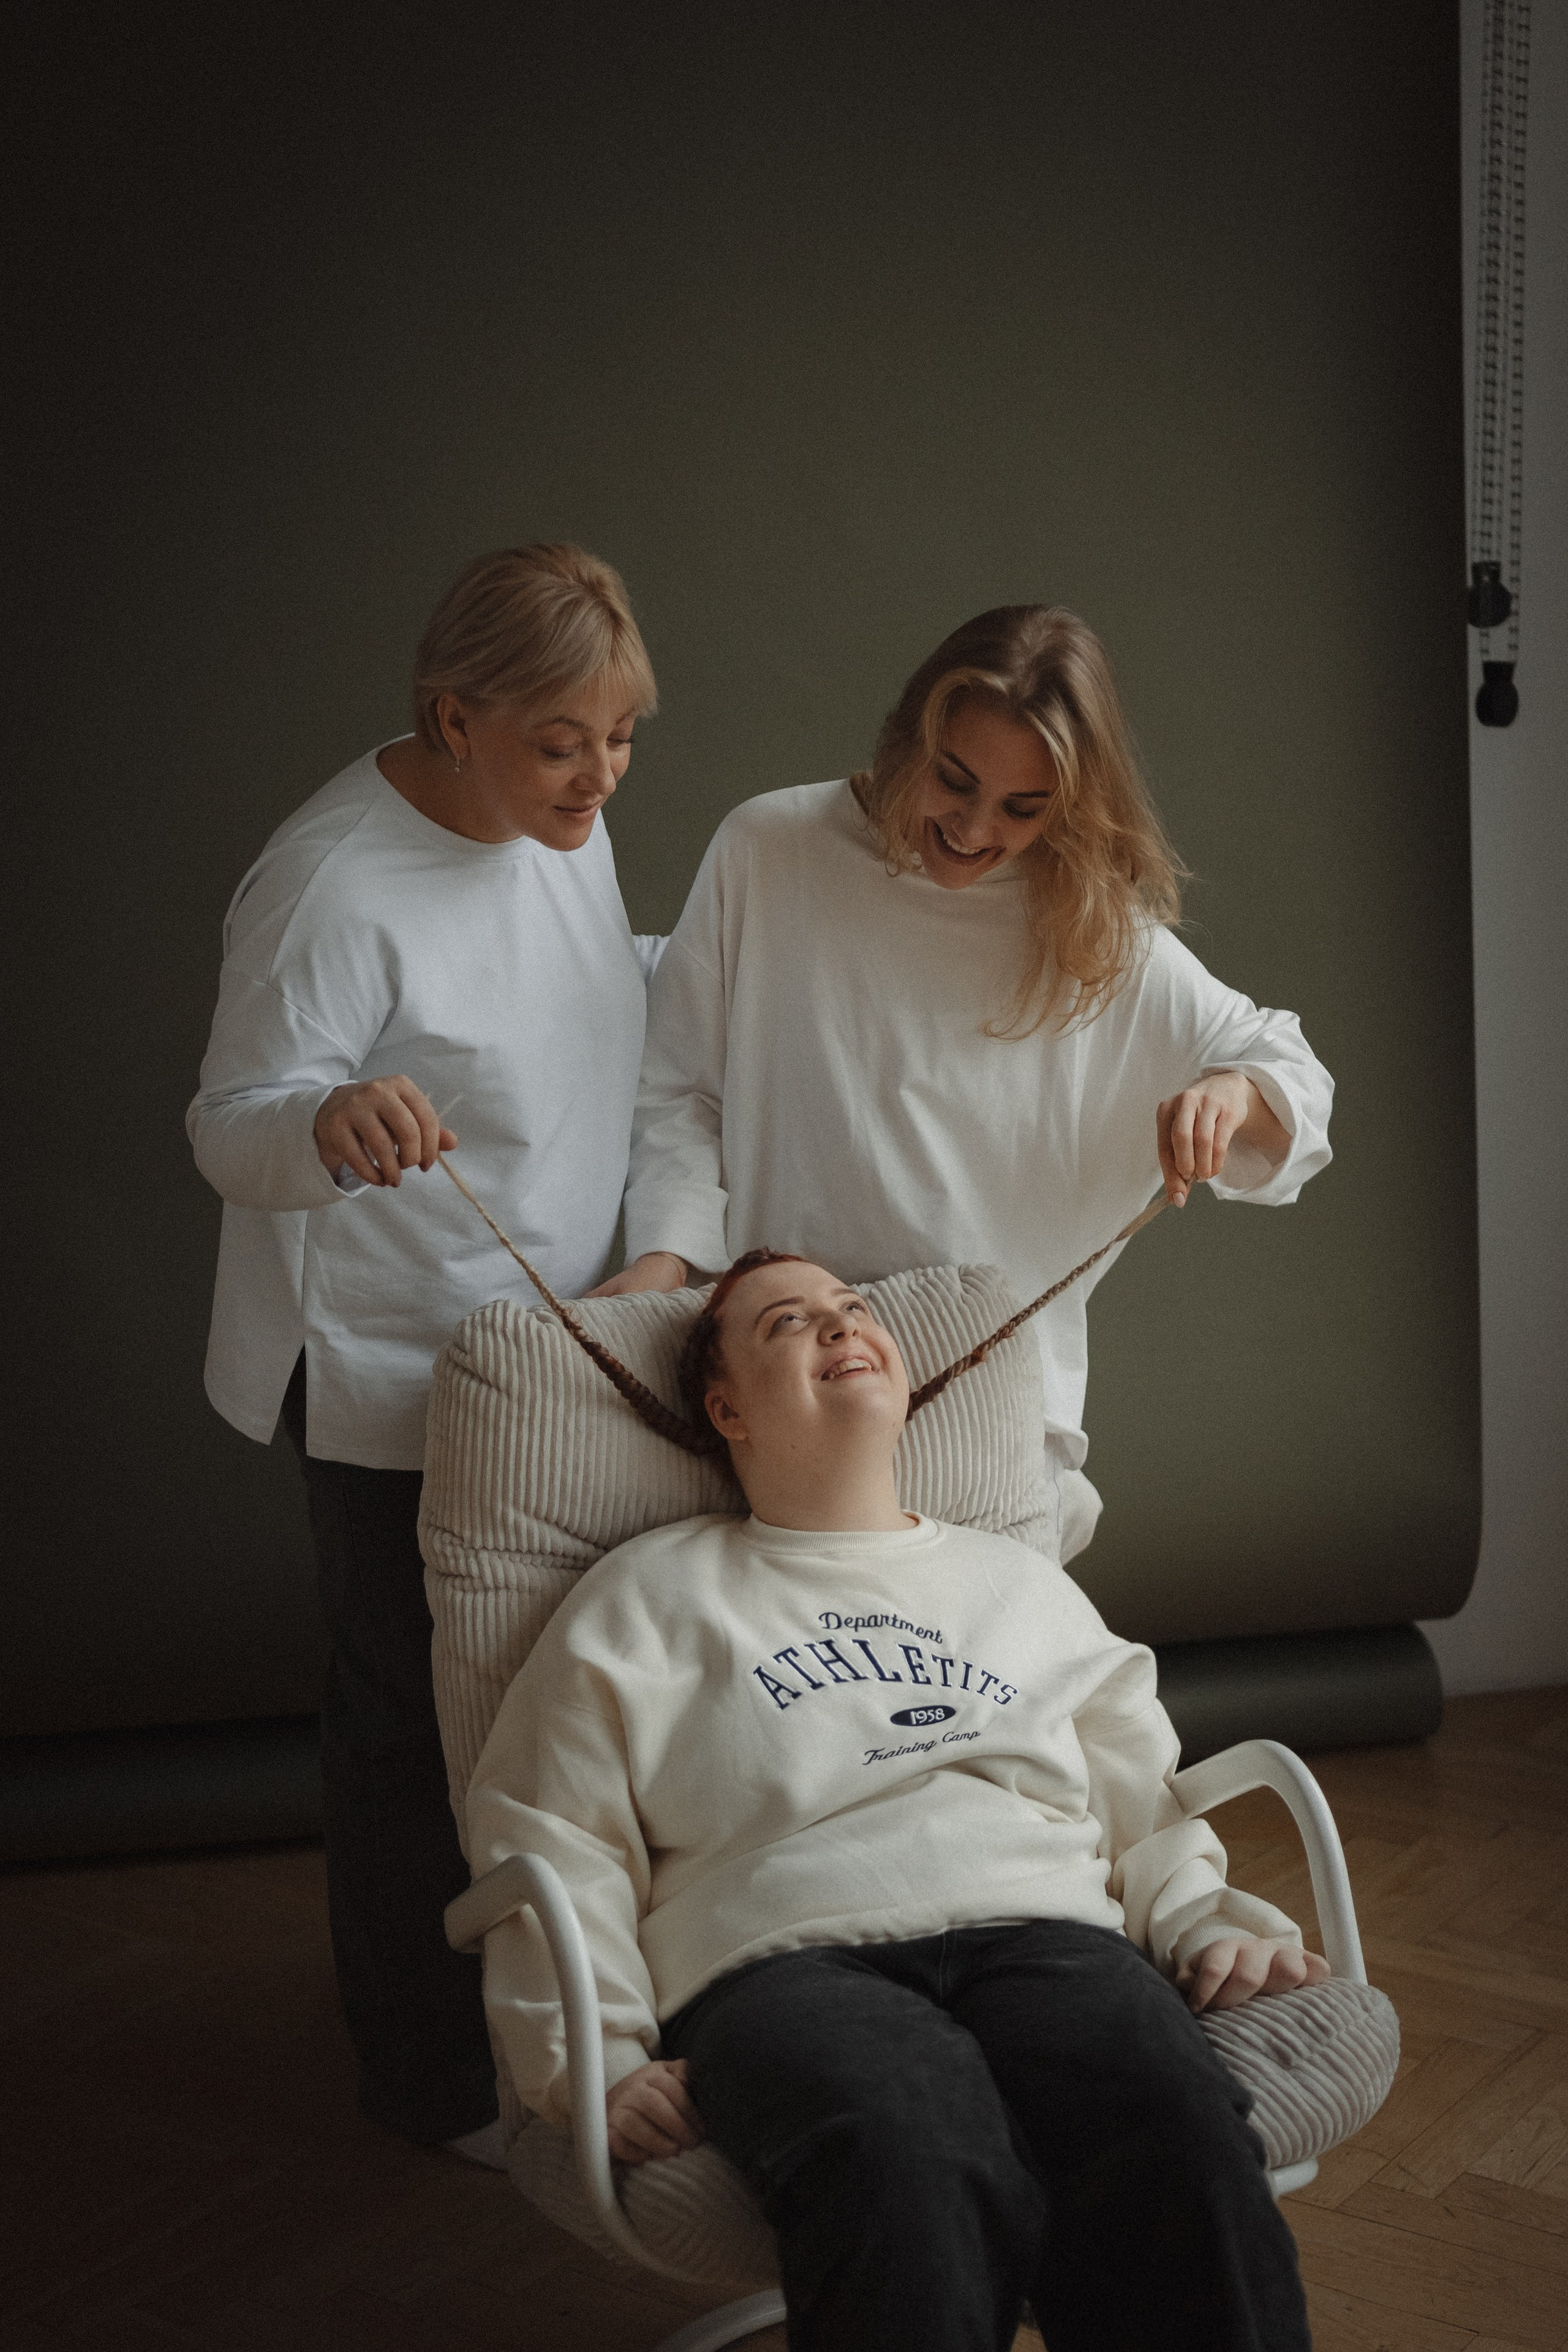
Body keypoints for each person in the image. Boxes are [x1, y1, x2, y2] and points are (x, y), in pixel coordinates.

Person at [467, 1250, 1322, 2350]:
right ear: (725, 1408)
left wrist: (1201, 1916)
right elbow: (551, 1838)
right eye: (788, 1323)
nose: (838, 1327)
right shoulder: (645, 1596)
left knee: (1175, 2130)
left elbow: (1135, 1784)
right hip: (780, 1962)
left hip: (1048, 1934)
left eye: (853, 1309)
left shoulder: (1019, 1584)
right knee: (912, 2148)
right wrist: (595, 2058)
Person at [187, 543, 662, 2158]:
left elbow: (577, 1003)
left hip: (565, 1347)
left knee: (559, 1710)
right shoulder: (331, 882)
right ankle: (430, 2083)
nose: (599, 775)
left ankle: (577, 2026)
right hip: (390, 1367)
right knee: (406, 1729)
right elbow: (223, 1135)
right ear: (453, 719)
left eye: (623, 738)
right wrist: (323, 1117)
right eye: (561, 743)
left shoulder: (561, 816)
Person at [606, 605, 1333, 1562]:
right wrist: (660, 1274)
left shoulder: (1090, 930)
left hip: (985, 1418)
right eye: (955, 780)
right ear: (913, 737)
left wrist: (1232, 1092)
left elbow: (1287, 1069)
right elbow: (679, 1089)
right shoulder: (771, 849)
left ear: (1067, 805)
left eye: (1022, 808)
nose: (974, 826)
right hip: (777, 1400)